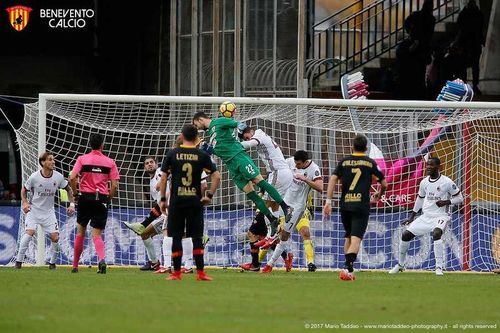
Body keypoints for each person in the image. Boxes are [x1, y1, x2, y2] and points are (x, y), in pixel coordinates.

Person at [192, 111, 293, 238]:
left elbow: (239, 124)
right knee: (252, 195)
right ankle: (272, 219)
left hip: (239, 157)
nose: (197, 128)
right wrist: (207, 150)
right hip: (230, 165)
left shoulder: (218, 122)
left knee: (259, 182)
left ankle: (286, 207)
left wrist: (240, 127)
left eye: (196, 125)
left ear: (200, 119)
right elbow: (220, 150)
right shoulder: (211, 134)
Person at [159, 124, 221, 281]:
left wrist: (163, 199)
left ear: (182, 135)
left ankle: (177, 273)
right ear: (196, 138)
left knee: (176, 237)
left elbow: (164, 177)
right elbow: (217, 177)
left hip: (177, 202)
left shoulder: (172, 154)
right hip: (195, 201)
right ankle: (200, 273)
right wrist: (209, 195)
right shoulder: (202, 155)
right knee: (197, 238)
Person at [323, 134, 387, 281]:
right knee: (356, 239)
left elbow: (333, 178)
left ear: (352, 146)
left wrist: (328, 201)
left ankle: (349, 271)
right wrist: (379, 193)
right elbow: (384, 184)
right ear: (366, 148)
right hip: (361, 206)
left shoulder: (344, 162)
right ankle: (347, 268)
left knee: (348, 237)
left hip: (345, 204)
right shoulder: (370, 163)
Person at [389, 157, 463, 276]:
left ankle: (439, 267)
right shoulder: (424, 182)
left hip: (441, 215)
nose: (428, 167)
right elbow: (420, 199)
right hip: (426, 216)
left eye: (431, 165)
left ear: (438, 167)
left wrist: (446, 202)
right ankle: (401, 265)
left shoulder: (447, 182)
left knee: (437, 233)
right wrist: (412, 216)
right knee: (405, 235)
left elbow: (460, 198)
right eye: (427, 165)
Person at [237, 126, 293, 272]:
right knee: (272, 206)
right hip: (284, 173)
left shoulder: (259, 136)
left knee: (267, 204)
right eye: (243, 138)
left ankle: (272, 233)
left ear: (249, 131)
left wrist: (232, 146)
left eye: (245, 136)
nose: (246, 139)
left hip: (278, 172)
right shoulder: (263, 136)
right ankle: (274, 238)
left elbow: (250, 143)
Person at [261, 150, 323, 273]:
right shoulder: (289, 162)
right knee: (273, 229)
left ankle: (269, 264)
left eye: (299, 164)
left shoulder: (314, 169)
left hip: (298, 207)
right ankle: (258, 261)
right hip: (284, 203)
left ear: (305, 162)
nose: (295, 166)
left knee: (285, 235)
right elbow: (276, 172)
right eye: (295, 163)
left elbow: (320, 188)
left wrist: (305, 179)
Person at [69, 133, 119, 274]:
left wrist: (75, 193)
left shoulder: (82, 159)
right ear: (102, 145)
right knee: (96, 234)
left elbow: (72, 177)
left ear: (90, 144)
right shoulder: (110, 162)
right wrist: (109, 197)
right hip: (101, 198)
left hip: (85, 197)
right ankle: (101, 260)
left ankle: (74, 266)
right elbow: (114, 185)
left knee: (81, 232)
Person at [15, 152, 75, 269]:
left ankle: (52, 264)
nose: (53, 162)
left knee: (55, 237)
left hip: (48, 212)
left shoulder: (58, 176)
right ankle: (18, 262)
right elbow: (23, 190)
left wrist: (72, 204)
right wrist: (25, 202)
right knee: (28, 235)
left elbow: (68, 189)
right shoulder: (34, 177)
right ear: (43, 162)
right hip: (34, 211)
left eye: (53, 160)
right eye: (50, 160)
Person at [456, 0, 484, 94]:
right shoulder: (477, 14)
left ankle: (467, 86)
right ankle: (472, 86)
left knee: (467, 66)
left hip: (468, 43)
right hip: (471, 43)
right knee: (473, 66)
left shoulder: (464, 14)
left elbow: (460, 29)